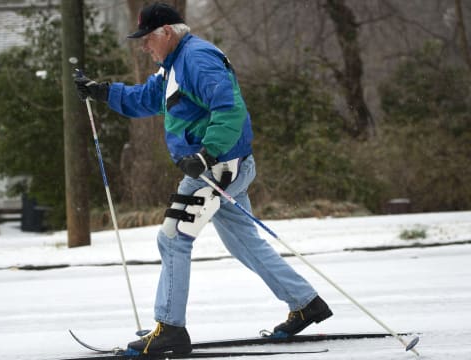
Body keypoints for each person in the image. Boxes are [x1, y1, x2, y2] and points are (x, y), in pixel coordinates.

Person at [74, 2, 332, 355]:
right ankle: (306, 303)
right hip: (223, 168)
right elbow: (148, 98)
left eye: (146, 39)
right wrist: (103, 92)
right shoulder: (173, 65)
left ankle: (169, 329)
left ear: (166, 32)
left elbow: (230, 107)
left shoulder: (196, 59)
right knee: (243, 243)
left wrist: (207, 153)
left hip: (216, 170)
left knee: (172, 239)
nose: (143, 47)